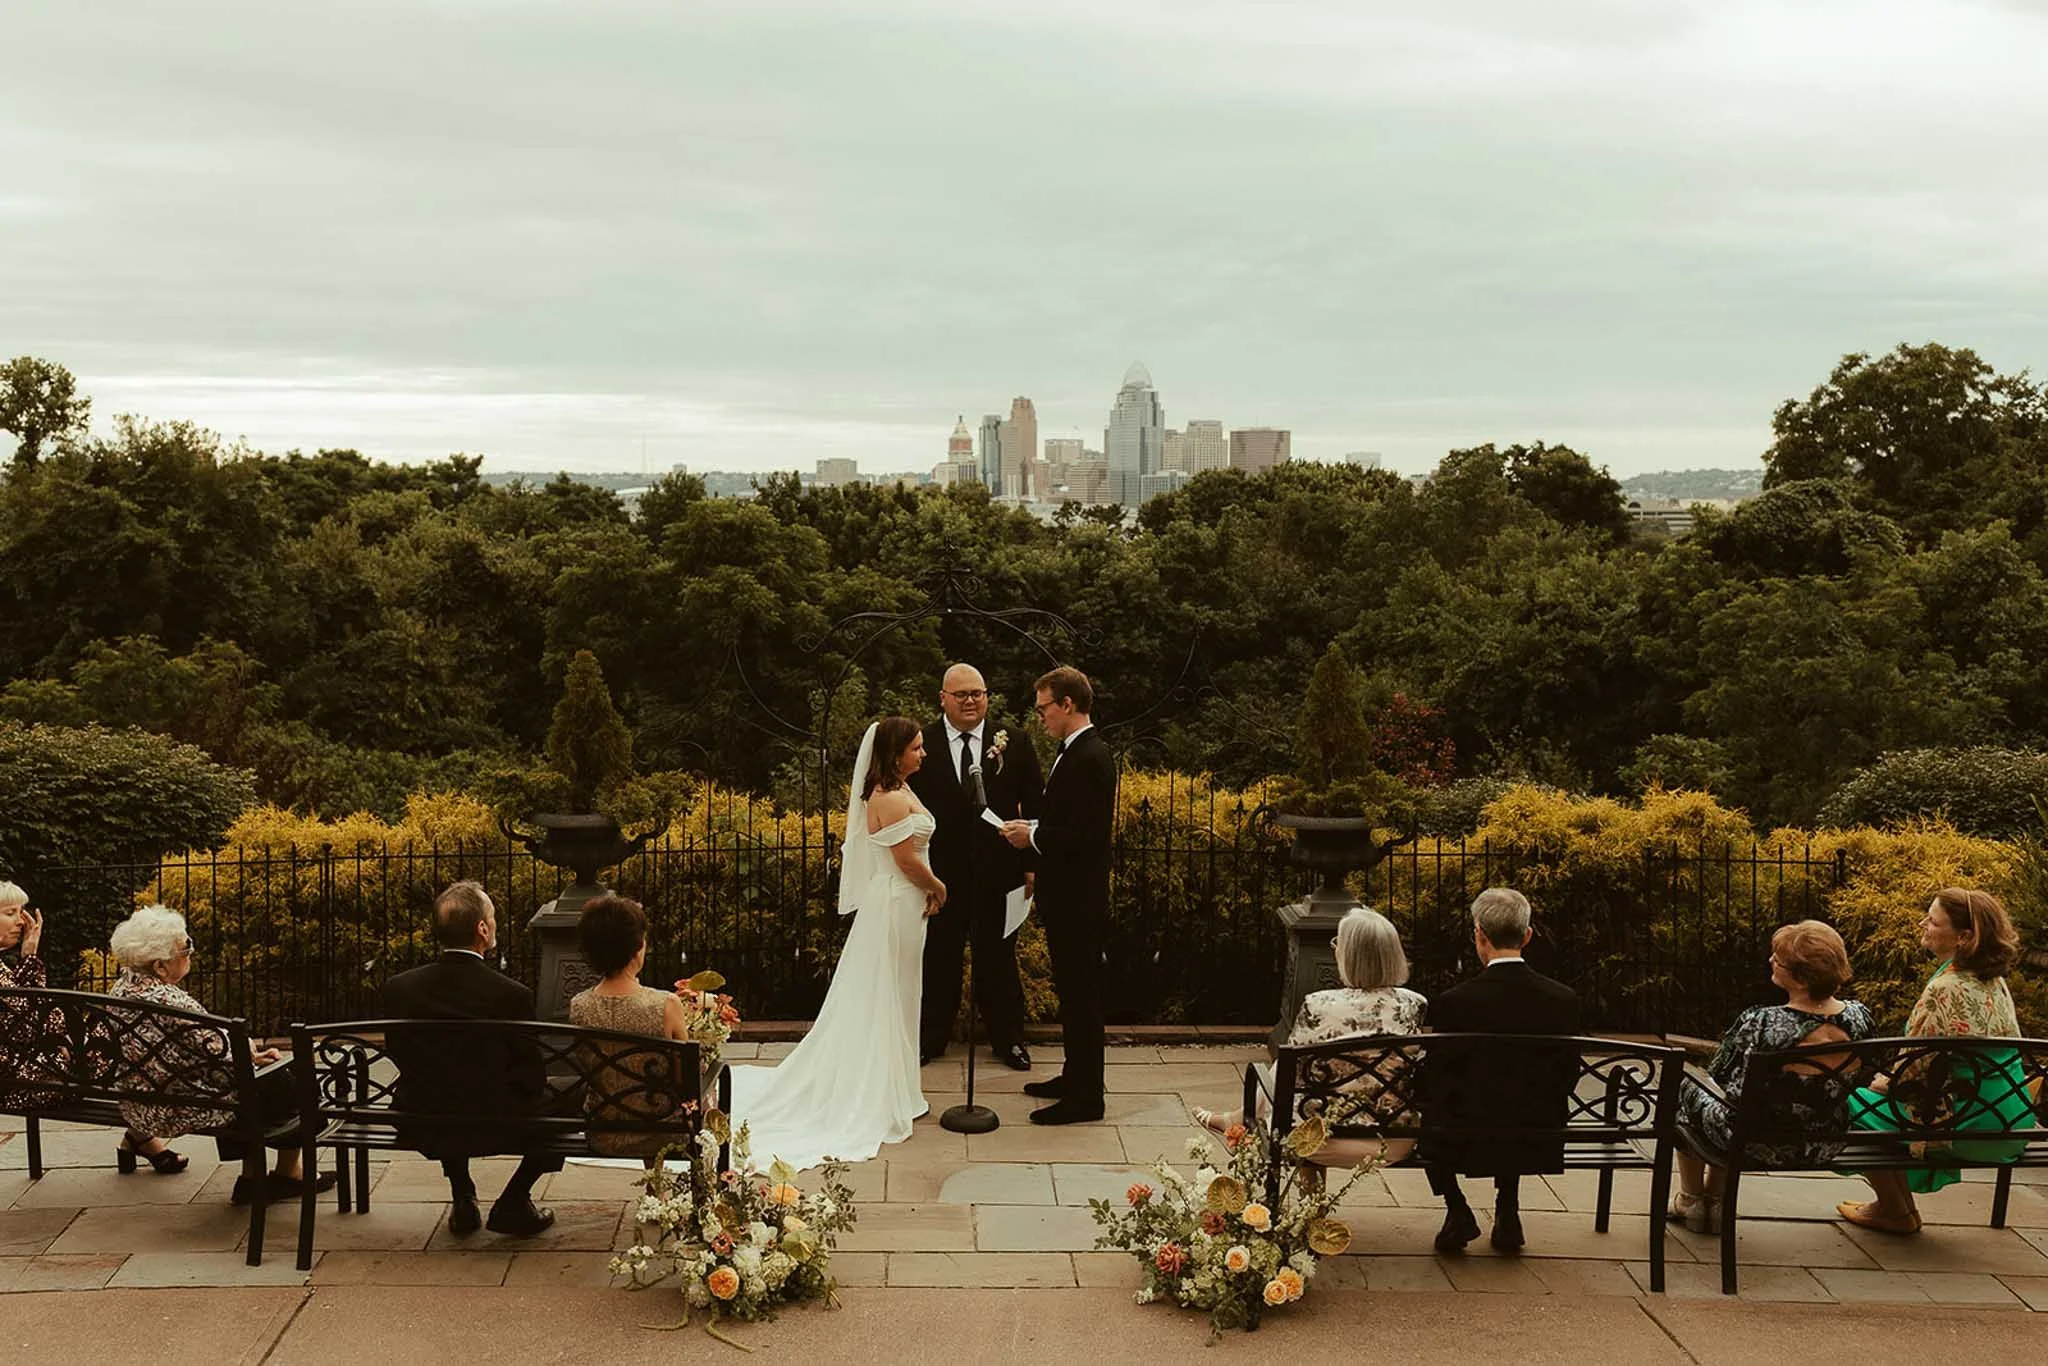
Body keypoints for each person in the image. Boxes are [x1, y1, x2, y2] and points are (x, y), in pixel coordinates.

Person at [722, 716, 943, 1170]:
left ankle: (899, 1086)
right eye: (916, 747)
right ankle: (879, 1091)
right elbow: (906, 862)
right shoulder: (890, 799)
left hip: (904, 904)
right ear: (896, 751)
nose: (923, 753)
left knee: (901, 995)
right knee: (888, 995)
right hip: (898, 900)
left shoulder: (896, 790)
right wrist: (940, 887)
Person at [106, 904, 334, 1201]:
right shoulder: (168, 1000)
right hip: (184, 1105)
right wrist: (252, 1052)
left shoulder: (120, 990)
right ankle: (289, 1174)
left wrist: (249, 1058)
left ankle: (252, 1178)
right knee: (291, 1080)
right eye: (185, 949)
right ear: (160, 966)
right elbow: (225, 1047)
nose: (191, 953)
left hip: (141, 1101)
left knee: (249, 1078)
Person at [1838, 888, 2029, 1235]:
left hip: (1968, 1126)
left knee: (1846, 1104)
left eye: (1934, 920)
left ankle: (1894, 1209)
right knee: (1882, 1105)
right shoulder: (1994, 981)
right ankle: (1898, 1209)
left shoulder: (1945, 987)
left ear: (1964, 936)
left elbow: (1911, 1072)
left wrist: (1880, 1082)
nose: (1923, 923)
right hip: (2010, 1121)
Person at [381, 881, 563, 1237]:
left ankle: (463, 1194)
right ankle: (514, 1200)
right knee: (565, 1107)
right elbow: (529, 1073)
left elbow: (400, 1053)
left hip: (424, 1117)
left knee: (444, 1082)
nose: (495, 924)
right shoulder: (511, 995)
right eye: (493, 918)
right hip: (495, 1120)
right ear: (482, 929)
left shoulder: (401, 988)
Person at [1671, 920, 1874, 1233]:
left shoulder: (1762, 1022)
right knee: (1738, 1106)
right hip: (1827, 1139)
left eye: (1777, 960)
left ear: (1801, 978)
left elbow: (1722, 1079)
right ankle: (1714, 1200)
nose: (1770, 961)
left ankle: (1690, 1199)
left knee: (1686, 1088)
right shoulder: (1859, 1017)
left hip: (1758, 1141)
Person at [1194, 906, 1428, 1166]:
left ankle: (1238, 1123)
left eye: (1338, 943)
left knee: (1289, 1069)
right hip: (1395, 1140)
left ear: (1350, 956)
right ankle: (1235, 1120)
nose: (1335, 948)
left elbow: (1291, 1075)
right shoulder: (1414, 1004)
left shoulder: (1320, 1004)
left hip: (1320, 1138)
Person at [1422, 887, 1581, 1256]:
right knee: (1516, 1096)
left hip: (1466, 1132)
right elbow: (1567, 1074)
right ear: (1527, 936)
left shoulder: (1454, 1002)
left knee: (1432, 1109)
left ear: (1479, 934)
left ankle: (1457, 1208)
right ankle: (1508, 1210)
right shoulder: (1563, 999)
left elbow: (1440, 1078)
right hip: (1539, 1130)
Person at [909, 662, 1045, 1071]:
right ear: (943, 699)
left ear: (987, 697)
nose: (971, 701)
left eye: (978, 694)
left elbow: (1035, 805)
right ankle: (930, 1038)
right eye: (962, 694)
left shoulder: (1014, 741)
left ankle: (1009, 1040)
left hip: (999, 870)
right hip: (940, 875)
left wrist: (1030, 864)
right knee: (938, 958)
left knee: (999, 959)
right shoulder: (923, 742)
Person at [1003, 665, 1115, 1126]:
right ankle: (1074, 1076)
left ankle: (1087, 1097)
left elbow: (1085, 835)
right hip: (1068, 897)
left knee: (1082, 998)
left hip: (1079, 900)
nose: (1041, 717)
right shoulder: (1074, 752)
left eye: (1044, 708)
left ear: (1067, 704)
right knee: (1072, 995)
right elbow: (1065, 820)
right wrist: (1034, 828)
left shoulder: (1091, 756)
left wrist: (1033, 839)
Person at [567, 894, 695, 1160]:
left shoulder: (579, 1006)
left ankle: (655, 1193)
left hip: (602, 1132)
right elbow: (687, 1078)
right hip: (661, 1133)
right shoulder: (666, 1004)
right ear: (637, 947)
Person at [0, 884, 61, 1112]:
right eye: (10, 913)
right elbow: (31, 1027)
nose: (21, 921)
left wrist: (29, 956)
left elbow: (28, 1013)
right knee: (99, 1050)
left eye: (21, 911)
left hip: (15, 1075)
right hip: (13, 1086)